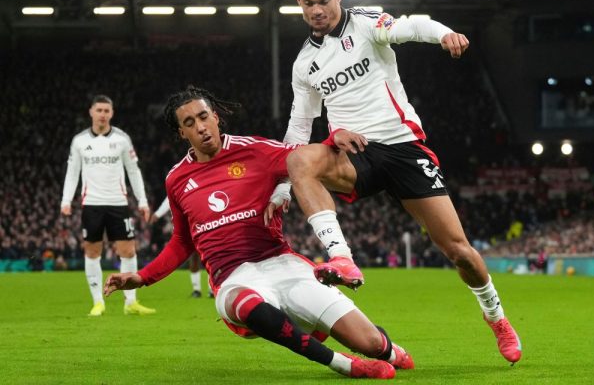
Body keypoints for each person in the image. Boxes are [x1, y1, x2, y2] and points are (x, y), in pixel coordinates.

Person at [281, 0, 521, 364]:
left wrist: (445, 34)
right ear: (298, 2)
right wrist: (282, 188)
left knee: (459, 251)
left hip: (403, 148)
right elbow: (298, 125)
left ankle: (496, 317)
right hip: (356, 155)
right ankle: (343, 257)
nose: (316, 10)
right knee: (299, 160)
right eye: (307, 4)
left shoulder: (366, 23)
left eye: (323, 1)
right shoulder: (305, 63)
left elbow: (412, 26)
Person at [104, 86, 412, 379]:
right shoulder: (177, 179)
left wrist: (333, 138)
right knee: (248, 303)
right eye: (189, 123)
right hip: (231, 278)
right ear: (181, 133)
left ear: (215, 117)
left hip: (280, 263)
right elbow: (183, 241)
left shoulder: (256, 151)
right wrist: (143, 278)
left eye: (203, 116)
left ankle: (389, 350)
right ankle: (342, 364)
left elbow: (303, 157)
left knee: (371, 343)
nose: (199, 127)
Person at [60, 94, 156, 317]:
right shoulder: (80, 141)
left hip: (118, 203)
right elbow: (72, 172)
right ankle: (98, 302)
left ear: (112, 113)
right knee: (92, 252)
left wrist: (142, 200)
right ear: (91, 112)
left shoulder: (122, 139)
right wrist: (66, 200)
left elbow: (133, 171)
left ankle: (130, 302)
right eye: (99, 110)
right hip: (91, 204)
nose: (102, 114)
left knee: (128, 251)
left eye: (106, 111)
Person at [151, 196, 212, 298]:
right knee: (194, 256)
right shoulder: (182, 183)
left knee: (210, 256)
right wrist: (158, 214)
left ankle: (211, 288)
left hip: (206, 220)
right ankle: (196, 289)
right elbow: (171, 197)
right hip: (189, 222)